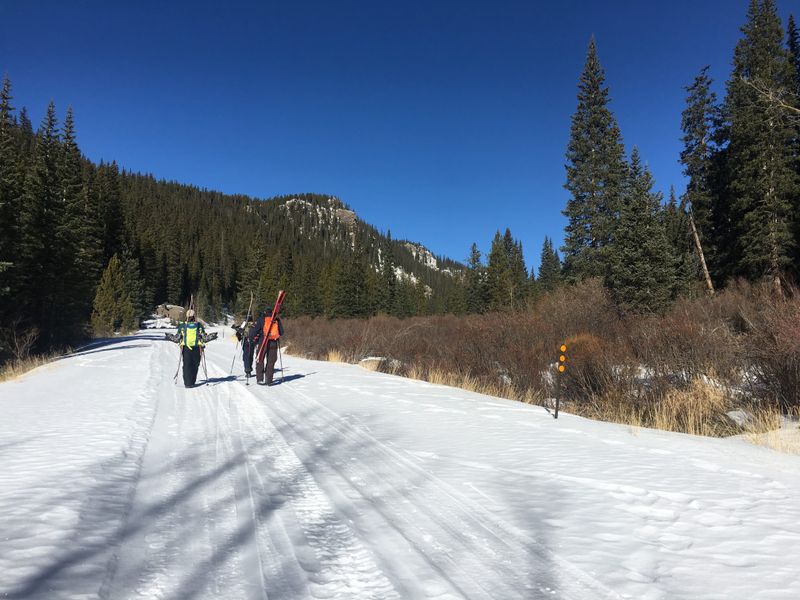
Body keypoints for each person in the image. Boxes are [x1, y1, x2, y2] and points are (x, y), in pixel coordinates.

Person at [168, 309, 212, 387]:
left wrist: (170, 337)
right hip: (197, 348)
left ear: (187, 316)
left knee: (187, 365)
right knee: (195, 364)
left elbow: (177, 338)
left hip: (186, 348)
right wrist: (211, 337)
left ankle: (188, 383)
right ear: (194, 316)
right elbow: (204, 337)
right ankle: (192, 381)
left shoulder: (183, 325)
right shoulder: (198, 325)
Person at [249, 306, 283, 385]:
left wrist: (251, 339)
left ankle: (260, 379)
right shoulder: (276, 320)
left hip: (263, 342)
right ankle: (269, 380)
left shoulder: (260, 319)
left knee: (260, 359)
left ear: (264, 312)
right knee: (271, 361)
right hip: (273, 343)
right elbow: (281, 332)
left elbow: (253, 332)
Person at [234, 312, 255, 377]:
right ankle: (249, 369)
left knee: (246, 356)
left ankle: (247, 371)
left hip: (245, 341)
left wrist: (239, 337)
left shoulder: (244, 323)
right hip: (252, 341)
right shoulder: (254, 324)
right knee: (250, 355)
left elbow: (238, 333)